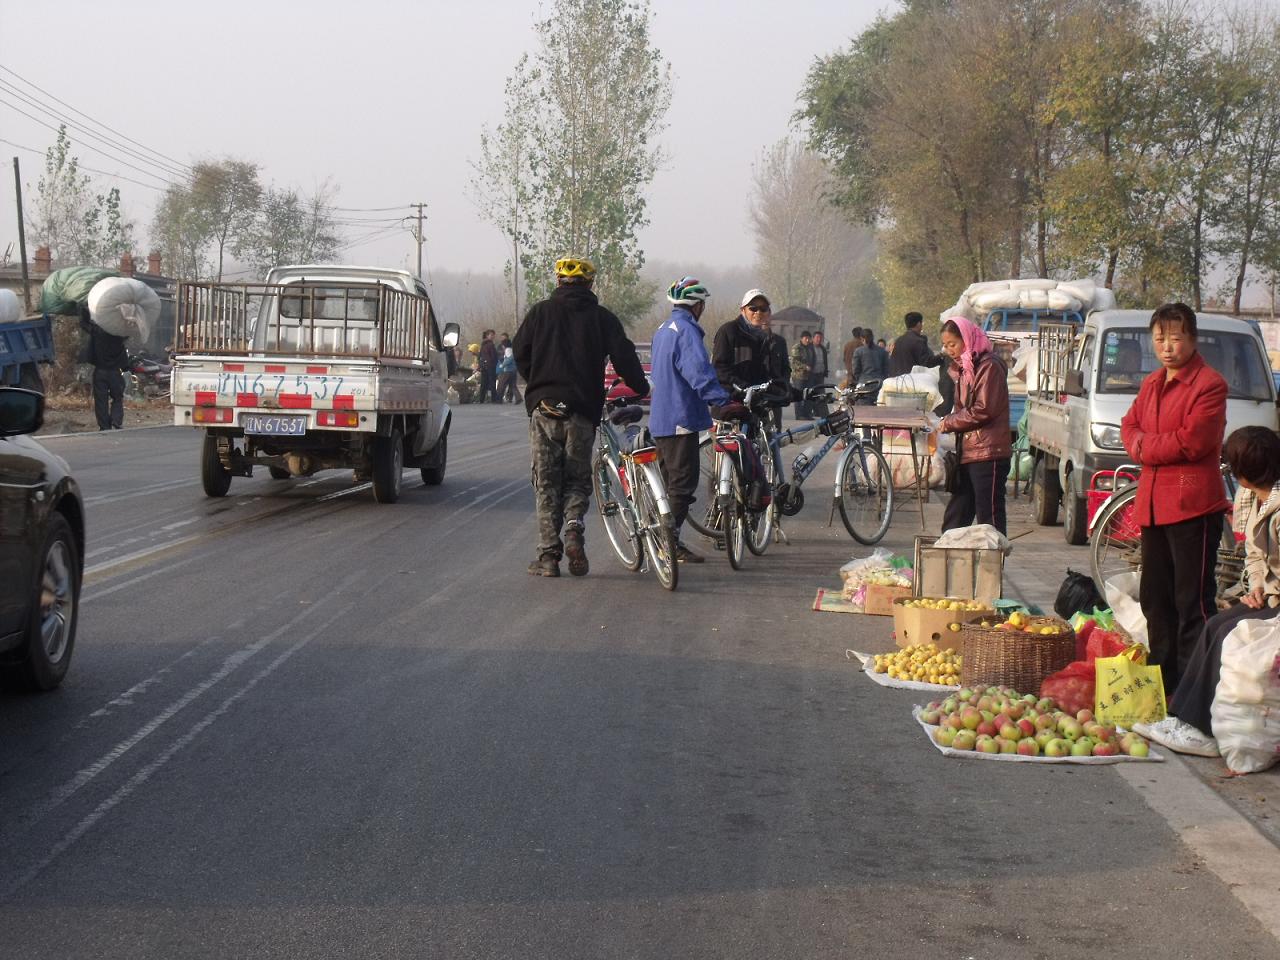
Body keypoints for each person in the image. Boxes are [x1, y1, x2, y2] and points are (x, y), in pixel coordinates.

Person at [1134, 426, 1280, 757]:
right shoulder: (1251, 498)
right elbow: (1254, 556)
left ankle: (1197, 726)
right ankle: (1186, 719)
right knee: (1216, 625)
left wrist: (1268, 592)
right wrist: (1255, 586)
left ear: (1242, 474)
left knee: (1229, 629)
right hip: (1269, 594)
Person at [513, 256, 648, 577]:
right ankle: (573, 529)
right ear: (590, 284)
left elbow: (520, 352)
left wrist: (538, 381)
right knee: (576, 480)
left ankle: (548, 557)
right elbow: (626, 358)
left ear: (559, 281)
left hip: (544, 410)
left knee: (546, 483)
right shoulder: (603, 319)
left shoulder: (540, 313)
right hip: (582, 413)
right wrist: (639, 388)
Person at [1120, 302, 1229, 696]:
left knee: (1192, 604)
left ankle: (1194, 691)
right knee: (1154, 599)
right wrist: (1143, 443)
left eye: (1176, 338)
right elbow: (1129, 426)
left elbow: (1193, 441)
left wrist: (1145, 447)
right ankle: (1162, 684)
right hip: (1152, 506)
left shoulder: (1209, 384)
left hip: (1192, 507)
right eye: (1160, 338)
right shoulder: (1151, 383)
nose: (1167, 347)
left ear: (1193, 339)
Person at [649, 277, 733, 563]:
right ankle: (666, 543)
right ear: (697, 305)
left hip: (661, 419)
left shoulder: (662, 330)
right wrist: (723, 400)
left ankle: (666, 540)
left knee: (669, 485)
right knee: (682, 487)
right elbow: (698, 371)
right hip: (681, 418)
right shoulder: (686, 331)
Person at [937, 316, 1011, 534]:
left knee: (989, 517)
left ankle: (993, 566)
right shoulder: (964, 368)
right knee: (957, 514)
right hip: (968, 452)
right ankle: (947, 559)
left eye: (953, 344)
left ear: (967, 339)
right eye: (946, 345)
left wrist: (949, 422)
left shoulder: (989, 367)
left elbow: (984, 409)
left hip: (988, 453)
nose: (949, 350)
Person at [79, 302, 129, 430]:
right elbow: (128, 328)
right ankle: (116, 420)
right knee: (117, 397)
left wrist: (84, 308)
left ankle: (104, 426)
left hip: (100, 371)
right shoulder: (119, 335)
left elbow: (84, 324)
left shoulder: (97, 332)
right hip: (115, 372)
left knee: (101, 400)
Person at [849, 328, 890, 404]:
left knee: (863, 411)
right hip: (879, 385)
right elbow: (886, 369)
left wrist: (860, 379)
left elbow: (855, 370)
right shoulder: (882, 351)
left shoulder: (858, 351)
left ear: (862, 339)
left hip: (864, 386)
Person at [890, 312, 936, 377]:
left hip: (898, 381)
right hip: (913, 382)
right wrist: (941, 357)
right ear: (919, 324)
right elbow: (926, 363)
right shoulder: (918, 341)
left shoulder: (898, 341)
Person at [790, 331, 815, 419]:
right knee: (799, 395)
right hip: (799, 376)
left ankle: (807, 414)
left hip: (809, 375)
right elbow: (794, 362)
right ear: (802, 339)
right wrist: (805, 367)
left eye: (809, 338)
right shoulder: (797, 348)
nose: (807, 340)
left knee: (809, 394)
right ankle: (799, 415)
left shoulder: (810, 348)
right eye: (806, 338)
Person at [809, 331, 831, 418]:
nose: (819, 339)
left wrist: (825, 371)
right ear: (813, 338)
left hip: (820, 375)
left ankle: (822, 413)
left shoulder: (823, 349)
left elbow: (825, 361)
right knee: (811, 393)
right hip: (811, 375)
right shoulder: (809, 348)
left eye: (820, 338)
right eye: (817, 337)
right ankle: (810, 411)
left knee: (821, 394)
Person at [478, 329, 500, 403]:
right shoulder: (490, 344)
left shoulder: (483, 344)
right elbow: (494, 356)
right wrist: (494, 363)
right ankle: (493, 399)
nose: (493, 336)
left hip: (484, 365)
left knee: (483, 383)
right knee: (492, 382)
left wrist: (480, 364)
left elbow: (480, 356)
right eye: (491, 335)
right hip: (490, 366)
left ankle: (481, 399)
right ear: (487, 335)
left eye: (493, 335)